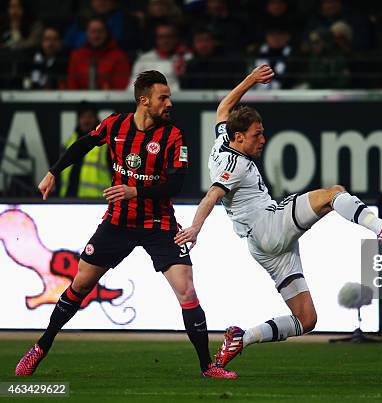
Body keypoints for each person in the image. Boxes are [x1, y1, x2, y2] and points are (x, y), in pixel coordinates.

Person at [174, 64, 382, 373]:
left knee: (306, 320)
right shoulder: (235, 165)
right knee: (333, 194)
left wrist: (249, 80)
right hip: (268, 226)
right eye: (257, 135)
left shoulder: (222, 142)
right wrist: (195, 228)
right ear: (240, 137)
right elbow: (212, 195)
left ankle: (241, 338)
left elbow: (224, 106)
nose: (263, 140)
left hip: (262, 247)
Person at [15, 70, 236, 379]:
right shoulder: (115, 125)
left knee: (187, 290)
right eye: (163, 97)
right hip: (118, 222)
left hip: (158, 223)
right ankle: (39, 348)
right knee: (79, 284)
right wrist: (54, 171)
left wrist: (136, 190)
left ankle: (207, 366)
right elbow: (83, 144)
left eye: (169, 97)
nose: (169, 103)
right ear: (143, 100)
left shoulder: (173, 135)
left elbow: (175, 185)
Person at [59, 102, 112, 198]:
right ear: (78, 119)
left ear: (96, 119)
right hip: (68, 200)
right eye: (83, 117)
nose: (86, 120)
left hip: (97, 202)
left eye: (90, 117)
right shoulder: (69, 142)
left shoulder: (105, 144)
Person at [66, 17, 131, 90]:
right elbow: (71, 84)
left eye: (100, 31)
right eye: (93, 31)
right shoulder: (77, 55)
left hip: (109, 99)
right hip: (80, 99)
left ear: (106, 33)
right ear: (87, 33)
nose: (96, 35)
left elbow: (121, 85)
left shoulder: (119, 56)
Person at [129, 22, 191, 91]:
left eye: (169, 37)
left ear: (176, 38)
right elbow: (132, 88)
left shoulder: (187, 57)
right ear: (155, 39)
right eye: (161, 37)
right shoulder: (144, 59)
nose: (165, 41)